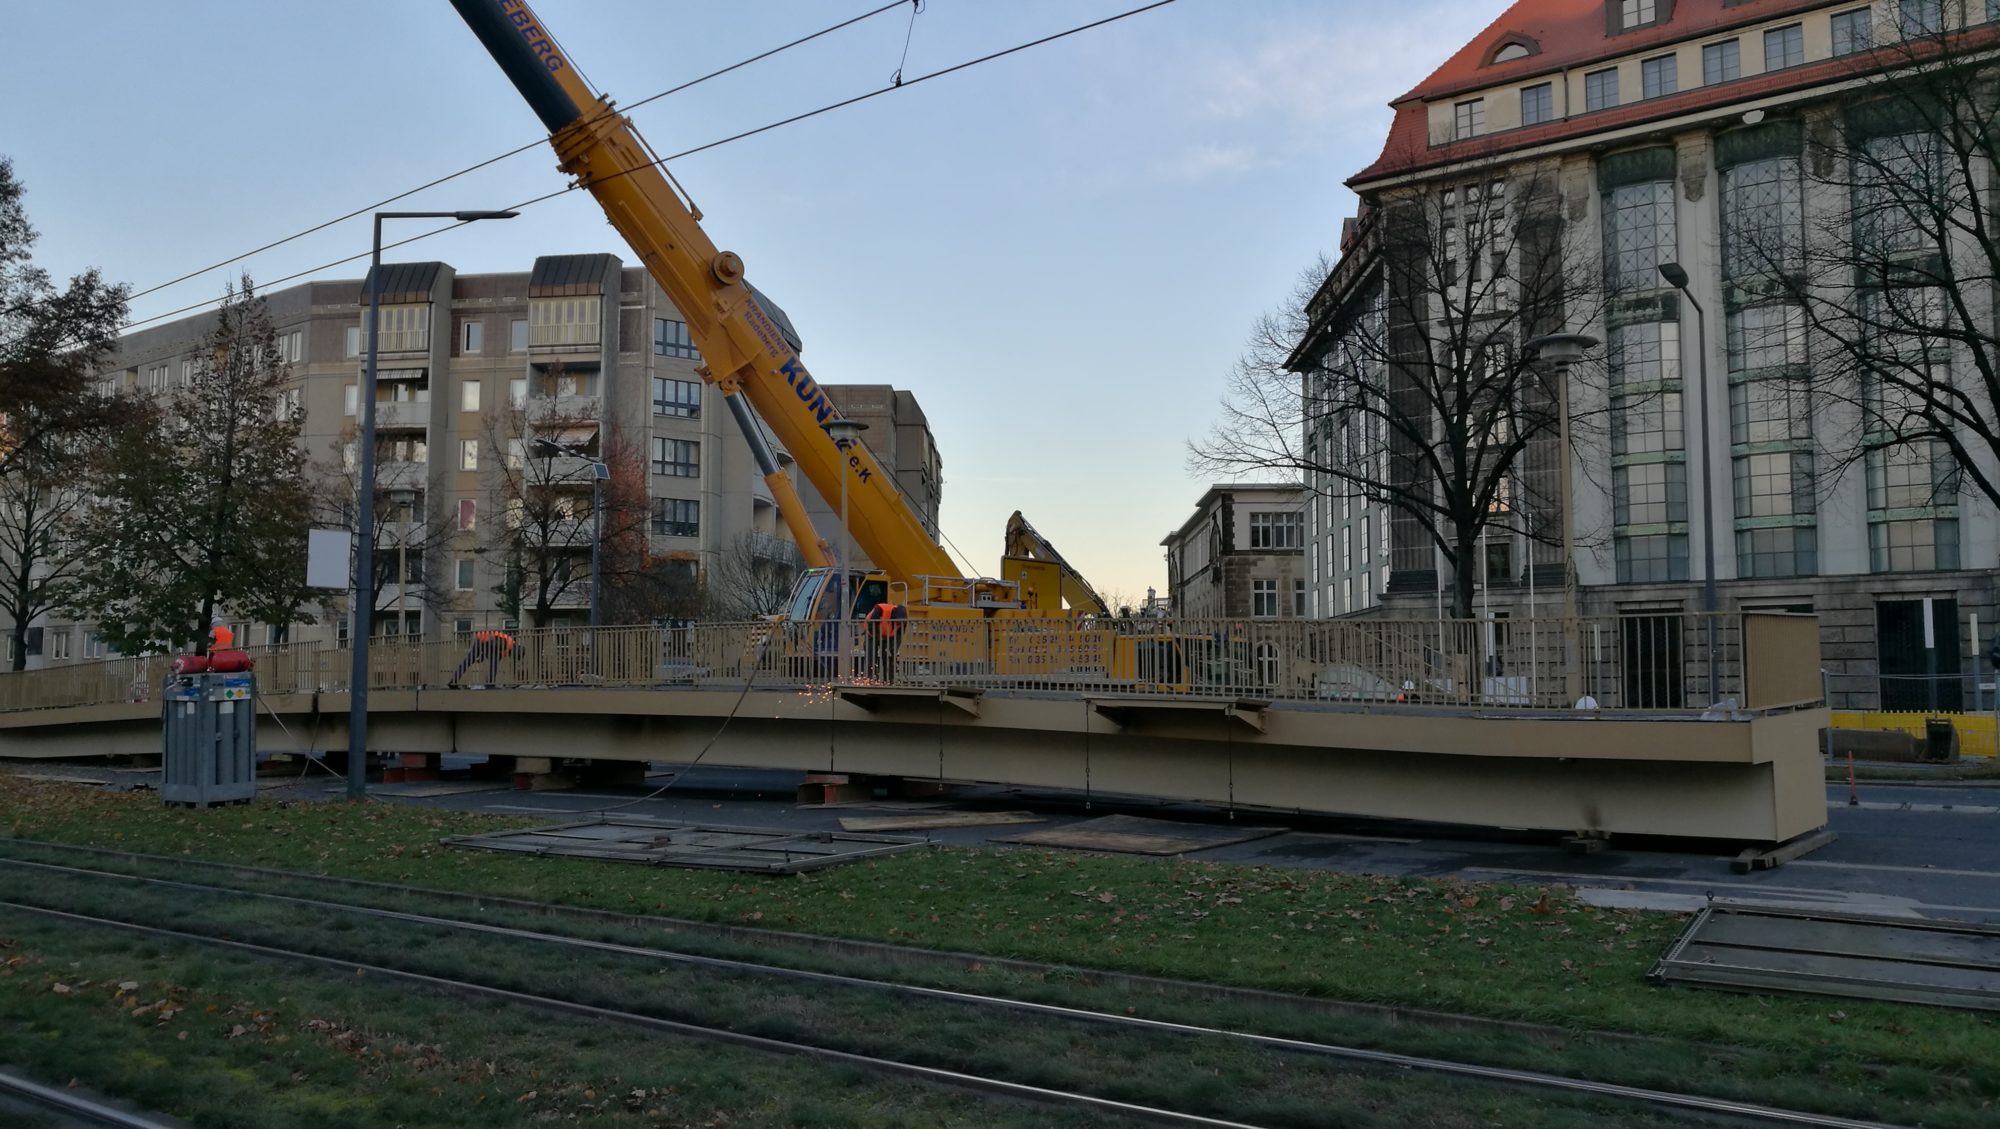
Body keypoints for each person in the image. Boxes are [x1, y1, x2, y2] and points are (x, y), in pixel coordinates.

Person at [450, 629, 516, 687]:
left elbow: (491, 647)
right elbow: (491, 646)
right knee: (494, 663)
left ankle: (454, 680)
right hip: (484, 640)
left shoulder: (510, 641)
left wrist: (482, 655)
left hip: (481, 638)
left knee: (467, 661)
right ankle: (490, 683)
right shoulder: (507, 644)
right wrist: (483, 655)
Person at [862, 601, 907, 681]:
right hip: (871, 634)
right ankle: (872, 678)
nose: (899, 623)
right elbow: (872, 626)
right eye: (897, 621)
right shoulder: (880, 609)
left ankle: (890, 680)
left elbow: (899, 636)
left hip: (887, 636)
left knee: (889, 657)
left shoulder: (903, 620)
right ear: (894, 617)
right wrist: (879, 639)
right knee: (871, 655)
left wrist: (894, 649)